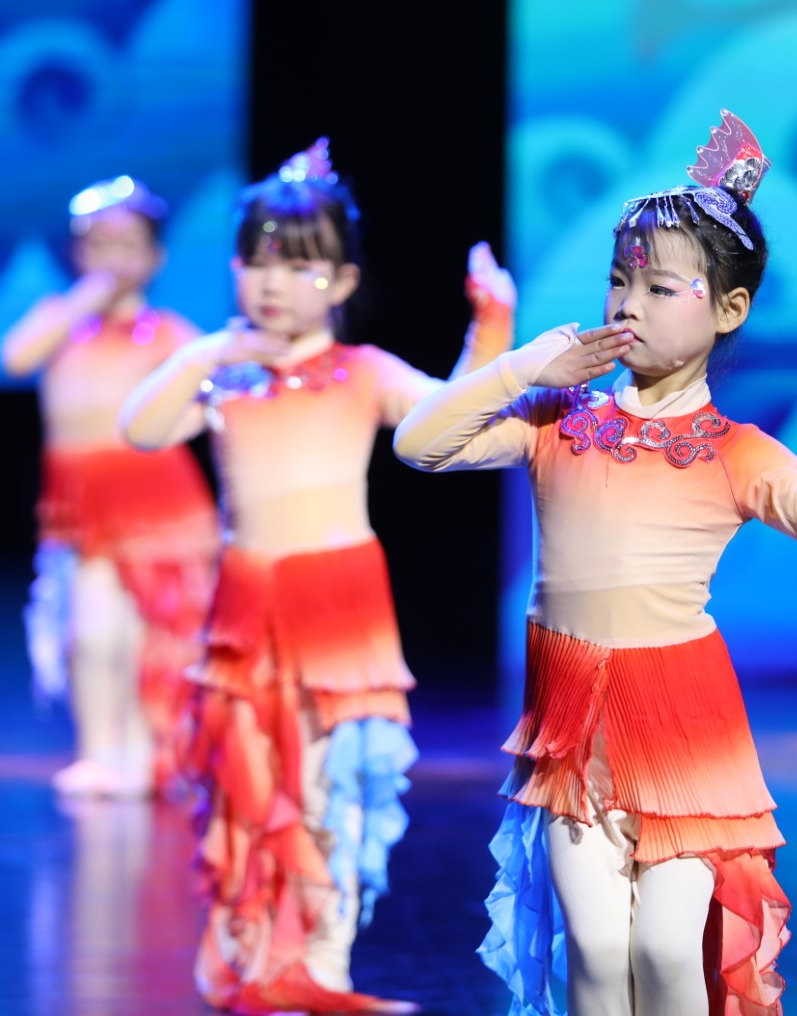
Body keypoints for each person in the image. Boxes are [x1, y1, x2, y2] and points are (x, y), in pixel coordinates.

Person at [393, 110, 797, 1016]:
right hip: (570, 723)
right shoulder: (557, 420)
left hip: (681, 726)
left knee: (667, 953)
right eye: (618, 280)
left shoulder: (736, 453)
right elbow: (418, 444)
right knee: (595, 952)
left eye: (660, 287)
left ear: (729, 310)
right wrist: (522, 369)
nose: (627, 304)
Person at [120, 139, 515, 1014]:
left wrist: (490, 327)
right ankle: (257, 954)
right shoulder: (229, 379)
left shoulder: (363, 373)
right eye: (258, 261)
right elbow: (142, 429)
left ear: (340, 281)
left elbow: (451, 416)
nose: (273, 283)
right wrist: (205, 354)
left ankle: (325, 964)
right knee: (251, 785)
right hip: (246, 612)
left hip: (340, 609)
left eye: (298, 266)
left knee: (340, 791)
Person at [0, 176, 218, 799]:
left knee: (158, 634)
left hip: (157, 505)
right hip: (83, 505)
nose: (113, 259)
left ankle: (151, 753)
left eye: (127, 246)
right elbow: (16, 357)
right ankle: (99, 751)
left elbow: (213, 389)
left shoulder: (167, 332)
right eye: (99, 245)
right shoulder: (62, 322)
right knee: (92, 635)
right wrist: (83, 300)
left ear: (155, 258)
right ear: (78, 254)